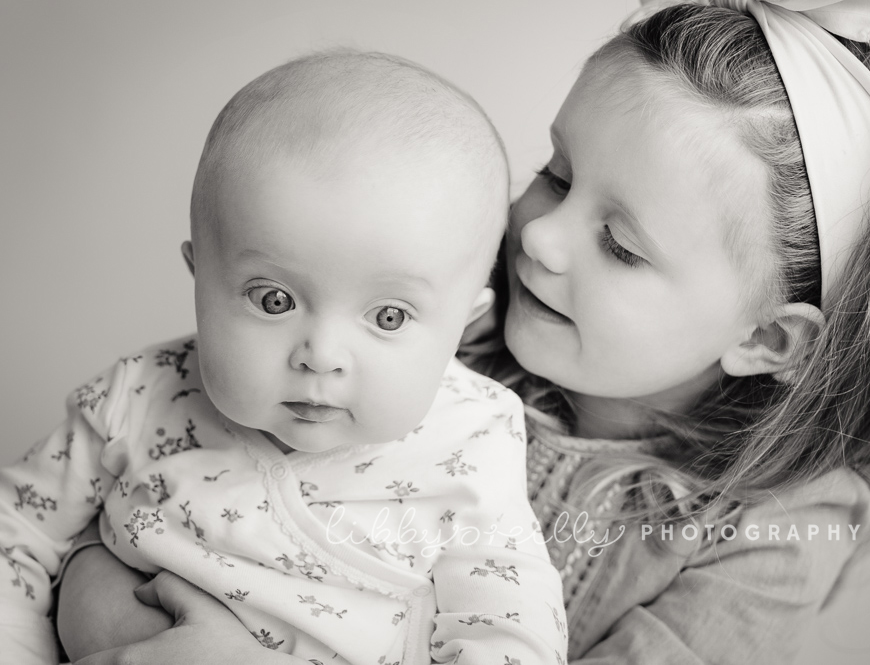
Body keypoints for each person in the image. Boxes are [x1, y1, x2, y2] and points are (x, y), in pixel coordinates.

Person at [53, 0, 870, 665]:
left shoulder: (774, 536)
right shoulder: (421, 351)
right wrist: (96, 583)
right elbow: (182, 492)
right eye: (557, 175)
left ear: (764, 337)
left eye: (620, 245)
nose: (538, 237)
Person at [0, 49, 570, 665]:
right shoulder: (138, 397)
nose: (321, 356)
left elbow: (512, 635)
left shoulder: (472, 441)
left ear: (462, 323)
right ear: (199, 278)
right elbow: (15, 538)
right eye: (274, 299)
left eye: (388, 316)